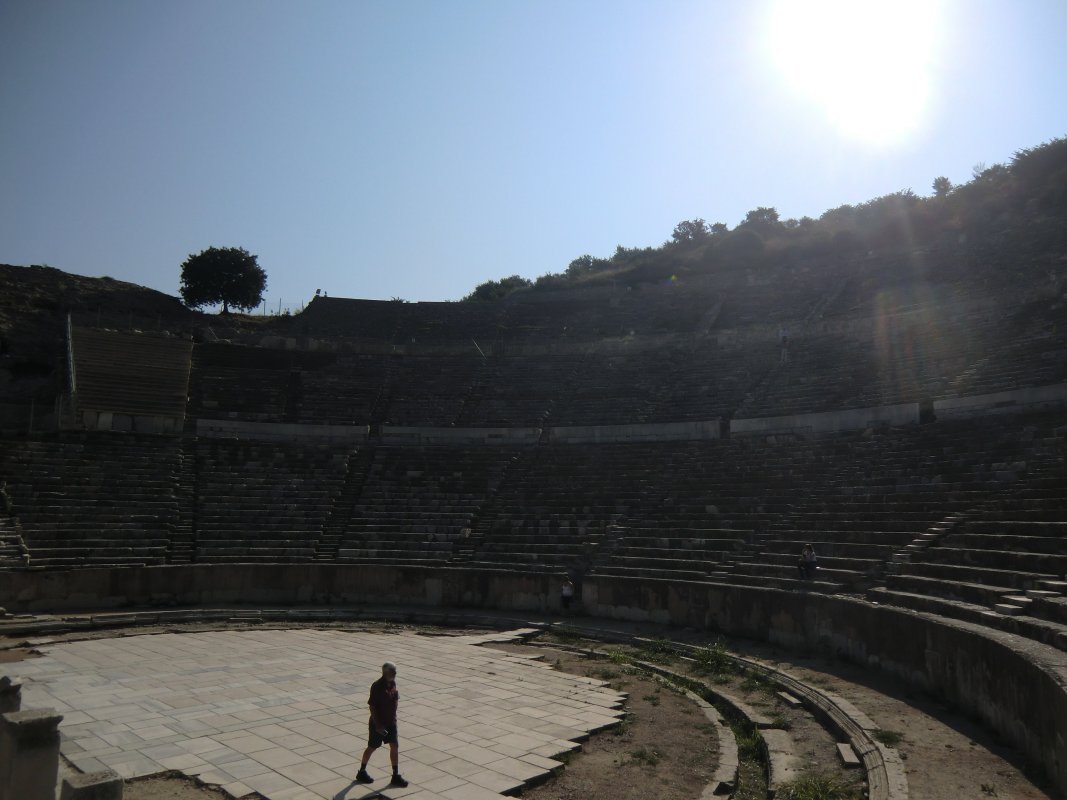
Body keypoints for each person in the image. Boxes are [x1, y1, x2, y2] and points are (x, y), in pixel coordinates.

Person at [356, 662, 408, 788]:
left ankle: (395, 775)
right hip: (378, 724)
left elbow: (395, 699)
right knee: (372, 747)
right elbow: (372, 707)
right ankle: (361, 772)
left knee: (394, 746)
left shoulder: (393, 683)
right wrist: (378, 725)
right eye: (393, 671)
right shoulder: (377, 686)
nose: (395, 674)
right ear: (385, 672)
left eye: (395, 671)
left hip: (391, 722)